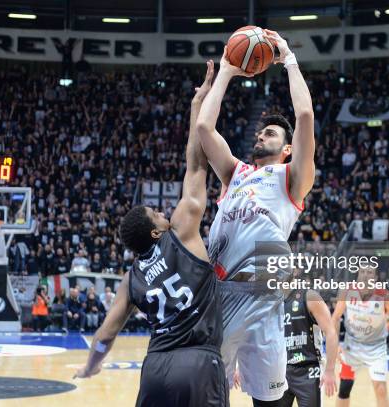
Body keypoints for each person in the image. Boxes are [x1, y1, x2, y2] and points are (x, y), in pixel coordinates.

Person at [75, 61, 229, 407]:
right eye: (158, 214)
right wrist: (196, 108)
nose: (164, 213)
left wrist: (90, 367)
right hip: (199, 362)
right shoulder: (183, 232)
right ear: (157, 232)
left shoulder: (131, 280)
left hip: (156, 367)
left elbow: (106, 334)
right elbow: (197, 165)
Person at [196, 30, 316, 405]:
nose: (261, 135)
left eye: (271, 133)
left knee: (269, 401)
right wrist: (228, 72)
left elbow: (306, 115)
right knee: (208, 394)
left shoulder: (293, 178)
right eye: (261, 131)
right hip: (222, 289)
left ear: (288, 149)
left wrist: (289, 60)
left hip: (265, 291)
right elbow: (203, 128)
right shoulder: (236, 172)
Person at [331, 266, 389, 407]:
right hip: (351, 347)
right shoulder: (347, 291)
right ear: (358, 275)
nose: (365, 275)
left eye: (369, 272)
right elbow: (335, 318)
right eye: (362, 272)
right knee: (345, 388)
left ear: (375, 278)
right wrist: (336, 346)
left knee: (381, 388)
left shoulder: (385, 297)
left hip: (376, 349)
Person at [279, 287, 338, 407]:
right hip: (280, 371)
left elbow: (331, 332)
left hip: (309, 371)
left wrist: (330, 370)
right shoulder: (270, 300)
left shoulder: (310, 296)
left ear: (294, 270)